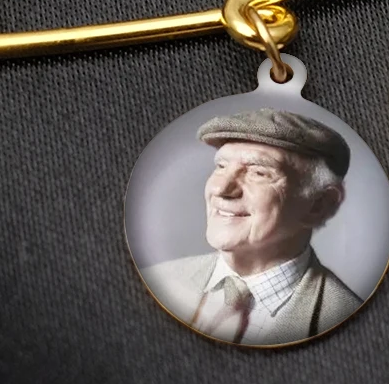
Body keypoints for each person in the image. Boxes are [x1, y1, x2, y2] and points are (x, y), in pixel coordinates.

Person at [141, 108, 360, 346]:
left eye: (258, 172)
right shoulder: (154, 279)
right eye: (221, 166)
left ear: (319, 204)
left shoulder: (350, 321)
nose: (222, 189)